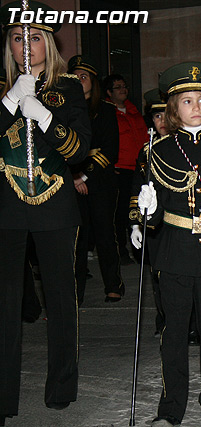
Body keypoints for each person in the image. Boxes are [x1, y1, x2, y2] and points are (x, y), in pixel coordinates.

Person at [0, 2, 90, 424]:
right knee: (4, 304)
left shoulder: (69, 86)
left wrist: (44, 116)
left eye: (34, 36)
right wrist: (10, 102)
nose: (26, 45)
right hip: (5, 206)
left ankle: (61, 387)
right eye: (18, 37)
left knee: (60, 297)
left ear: (48, 42)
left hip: (55, 203)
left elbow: (78, 149)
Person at [136, 62, 201, 427]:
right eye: (185, 100)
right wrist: (146, 213)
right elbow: (151, 211)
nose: (194, 106)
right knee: (174, 334)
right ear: (173, 110)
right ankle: (171, 405)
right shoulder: (157, 150)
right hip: (174, 251)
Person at [68, 55, 124, 305]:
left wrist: (83, 174)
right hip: (71, 182)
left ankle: (113, 285)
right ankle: (74, 292)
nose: (79, 81)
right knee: (77, 239)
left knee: (104, 234)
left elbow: (109, 151)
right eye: (74, 76)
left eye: (84, 77)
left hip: (99, 182)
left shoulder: (106, 110)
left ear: (93, 82)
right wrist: (73, 176)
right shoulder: (63, 108)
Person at [131, 88, 167, 337]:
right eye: (157, 116)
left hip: (181, 220)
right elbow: (138, 187)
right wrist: (135, 223)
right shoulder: (147, 151)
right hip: (155, 223)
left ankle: (193, 325)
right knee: (158, 274)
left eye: (166, 115)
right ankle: (164, 319)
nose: (162, 122)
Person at [104, 73, 148, 265]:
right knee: (120, 214)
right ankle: (120, 250)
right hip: (119, 169)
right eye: (118, 87)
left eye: (124, 86)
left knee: (141, 210)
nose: (123, 90)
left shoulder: (134, 111)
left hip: (138, 169)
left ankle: (141, 251)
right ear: (109, 92)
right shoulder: (107, 112)